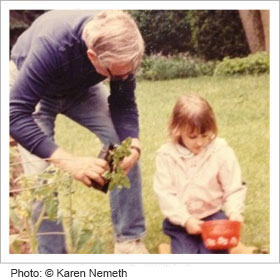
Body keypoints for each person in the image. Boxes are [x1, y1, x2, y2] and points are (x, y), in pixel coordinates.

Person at [10, 10, 149, 254]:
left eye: (127, 73)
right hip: (32, 85)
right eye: (116, 75)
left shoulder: (121, 50)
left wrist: (134, 144)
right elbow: (14, 116)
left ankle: (128, 242)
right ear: (92, 56)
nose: (124, 78)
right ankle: (53, 259)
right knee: (42, 175)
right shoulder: (52, 45)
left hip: (79, 88)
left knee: (122, 146)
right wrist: (70, 162)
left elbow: (124, 104)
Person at [153, 95, 247, 254]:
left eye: (205, 135)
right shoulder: (167, 156)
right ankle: (170, 248)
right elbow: (165, 194)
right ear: (177, 129)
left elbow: (233, 187)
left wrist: (234, 212)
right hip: (181, 223)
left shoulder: (221, 151)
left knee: (213, 254)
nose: (199, 142)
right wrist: (186, 219)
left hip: (213, 218)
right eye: (192, 136)